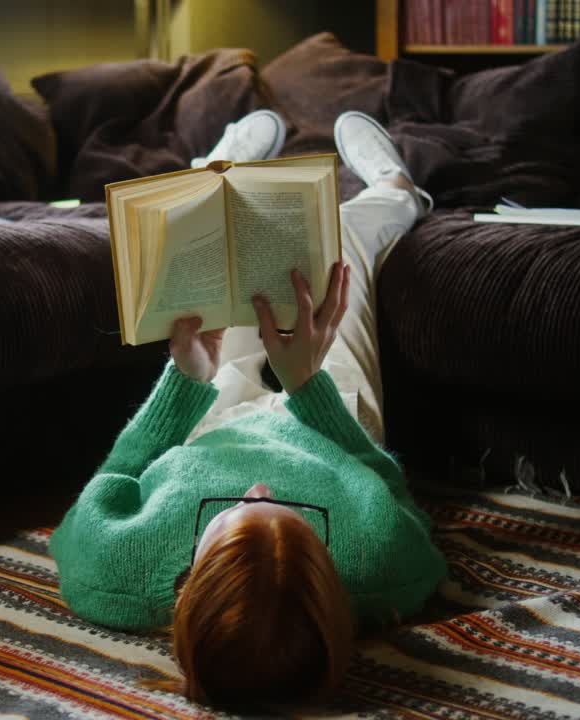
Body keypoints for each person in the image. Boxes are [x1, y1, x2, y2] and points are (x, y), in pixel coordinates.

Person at [50, 108, 446, 708]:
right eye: (291, 518)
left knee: (221, 279)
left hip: (211, 419)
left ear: (189, 591)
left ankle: (209, 182)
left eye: (235, 513)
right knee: (341, 263)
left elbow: (109, 483)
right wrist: (308, 385)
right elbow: (389, 484)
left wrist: (186, 380)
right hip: (330, 430)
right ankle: (396, 188)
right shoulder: (383, 569)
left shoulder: (116, 573)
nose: (259, 488)